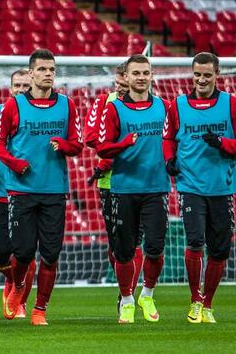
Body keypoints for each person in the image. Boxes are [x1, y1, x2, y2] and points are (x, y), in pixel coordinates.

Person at [0, 49, 83, 325]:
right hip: (21, 191)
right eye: (42, 69)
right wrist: (15, 164)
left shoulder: (67, 105)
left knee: (51, 254)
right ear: (30, 73)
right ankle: (19, 285)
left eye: (51, 70)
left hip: (55, 190)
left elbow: (77, 144)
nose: (47, 74)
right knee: (21, 252)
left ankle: (40, 309)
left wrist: (65, 146)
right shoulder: (13, 106)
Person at [163, 52, 236, 324]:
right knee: (195, 241)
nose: (202, 80)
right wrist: (169, 159)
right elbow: (168, 137)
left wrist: (223, 144)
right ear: (191, 75)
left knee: (219, 250)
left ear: (217, 75)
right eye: (197, 75)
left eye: (207, 75)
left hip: (222, 188)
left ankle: (208, 304)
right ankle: (195, 299)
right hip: (190, 186)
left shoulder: (231, 105)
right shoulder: (178, 105)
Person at [97, 54, 170, 324]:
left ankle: (147, 293)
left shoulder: (164, 106)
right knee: (125, 251)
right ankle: (126, 299)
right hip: (123, 188)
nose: (141, 77)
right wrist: (123, 144)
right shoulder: (114, 109)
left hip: (156, 187)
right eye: (136, 73)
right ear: (126, 78)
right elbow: (102, 147)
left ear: (151, 76)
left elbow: (174, 140)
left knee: (155, 247)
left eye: (145, 72)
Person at [84, 63, 138, 312]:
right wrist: (116, 145)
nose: (118, 89)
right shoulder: (104, 102)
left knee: (137, 241)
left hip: (141, 179)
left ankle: (129, 293)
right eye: (116, 84)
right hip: (109, 181)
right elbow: (91, 137)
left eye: (122, 85)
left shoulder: (149, 104)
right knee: (117, 243)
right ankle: (124, 288)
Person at [0, 68, 33, 319]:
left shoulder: (38, 113)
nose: (22, 89)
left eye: (26, 85)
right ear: (10, 88)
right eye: (17, 85)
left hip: (26, 192)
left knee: (26, 250)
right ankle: (15, 281)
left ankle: (20, 298)